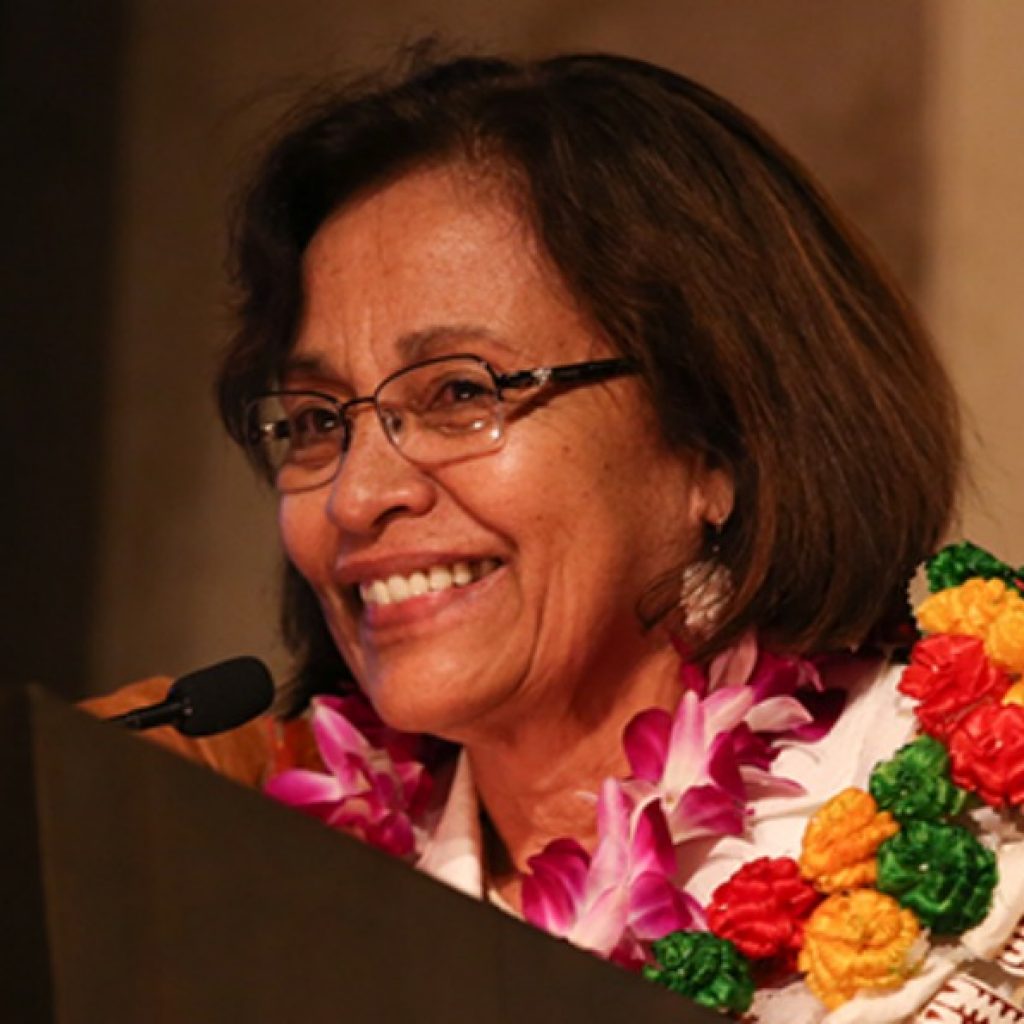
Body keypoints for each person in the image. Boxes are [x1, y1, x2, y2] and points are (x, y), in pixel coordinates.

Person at [88, 50, 1024, 1022]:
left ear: (715, 443)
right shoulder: (273, 905)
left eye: (460, 392)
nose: (356, 496)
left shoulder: (984, 836)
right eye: (321, 420)